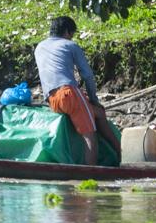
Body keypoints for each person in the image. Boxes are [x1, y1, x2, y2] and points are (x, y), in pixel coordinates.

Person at [34, 16, 121, 166]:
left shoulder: (40, 47)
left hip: (53, 100)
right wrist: (94, 99)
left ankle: (120, 153)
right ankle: (89, 172)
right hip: (68, 94)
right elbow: (87, 75)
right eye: (72, 34)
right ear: (67, 32)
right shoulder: (69, 45)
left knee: (99, 114)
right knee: (89, 135)